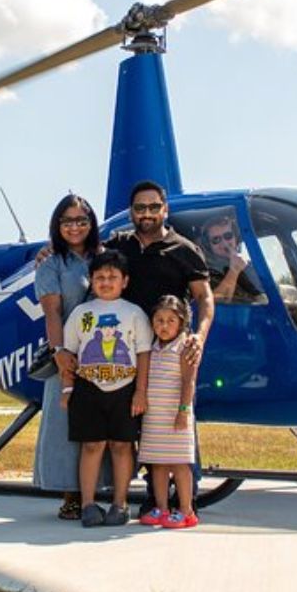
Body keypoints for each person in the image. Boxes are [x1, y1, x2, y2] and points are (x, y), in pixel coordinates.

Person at [104, 180, 215, 515]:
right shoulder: (119, 245)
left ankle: (186, 500)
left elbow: (205, 298)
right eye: (140, 208)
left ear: (165, 210)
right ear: (131, 212)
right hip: (128, 350)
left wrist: (199, 336)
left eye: (154, 207)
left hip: (170, 351)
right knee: (144, 428)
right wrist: (49, 250)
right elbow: (83, 253)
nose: (147, 213)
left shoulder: (184, 249)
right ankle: (155, 497)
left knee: (177, 423)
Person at [60, 250, 153, 527]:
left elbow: (144, 353)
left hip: (125, 388)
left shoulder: (134, 313)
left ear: (125, 281)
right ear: (91, 281)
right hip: (88, 388)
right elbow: (69, 353)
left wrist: (141, 391)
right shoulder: (82, 313)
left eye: (112, 276)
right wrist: (67, 389)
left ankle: (120, 503)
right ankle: (88, 504)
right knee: (91, 446)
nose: (106, 281)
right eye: (99, 277)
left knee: (122, 446)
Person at [32, 194, 103, 519]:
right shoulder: (51, 264)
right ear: (57, 226)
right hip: (69, 352)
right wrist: (60, 354)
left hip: (104, 352)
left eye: (81, 220)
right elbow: (52, 312)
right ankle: (70, 494)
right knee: (64, 425)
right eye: (67, 221)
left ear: (92, 224)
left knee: (102, 424)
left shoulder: (106, 257)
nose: (74, 227)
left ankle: (101, 489)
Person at [138, 294, 199, 529]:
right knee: (158, 464)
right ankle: (161, 507)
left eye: (170, 321)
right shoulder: (151, 349)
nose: (164, 326)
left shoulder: (185, 347)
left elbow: (188, 382)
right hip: (155, 415)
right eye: (159, 320)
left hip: (176, 414)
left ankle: (186, 510)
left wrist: (183, 410)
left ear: (181, 322)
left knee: (180, 464)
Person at [201, 213, 264, 304]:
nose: (224, 243)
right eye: (216, 240)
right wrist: (234, 271)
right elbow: (216, 304)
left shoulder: (250, 266)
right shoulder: (206, 272)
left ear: (235, 237)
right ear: (208, 245)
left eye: (228, 236)